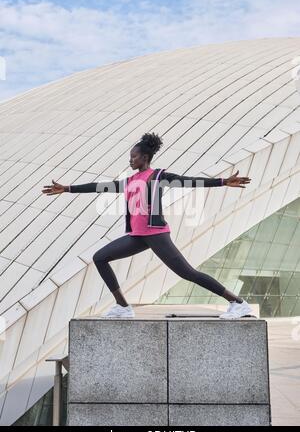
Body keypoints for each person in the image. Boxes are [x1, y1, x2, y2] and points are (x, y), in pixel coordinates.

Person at [42, 132, 252, 320]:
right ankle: (123, 307)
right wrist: (67, 188)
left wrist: (223, 181)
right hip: (138, 236)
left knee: (187, 273)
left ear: (145, 157)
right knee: (100, 258)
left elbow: (189, 181)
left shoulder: (159, 176)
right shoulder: (130, 179)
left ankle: (238, 303)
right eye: (130, 157)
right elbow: (98, 187)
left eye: (134, 156)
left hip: (156, 234)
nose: (130, 160)